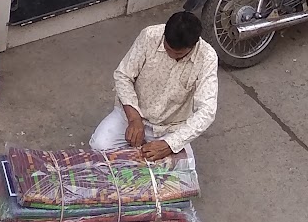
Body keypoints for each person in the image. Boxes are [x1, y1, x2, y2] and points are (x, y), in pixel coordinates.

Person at [90, 11, 218, 160]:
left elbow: (207, 111)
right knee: (99, 146)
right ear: (164, 35)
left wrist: (168, 144)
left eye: (178, 54)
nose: (171, 55)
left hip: (170, 127)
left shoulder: (207, 57)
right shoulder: (150, 36)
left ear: (193, 46)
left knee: (183, 167)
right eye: (168, 49)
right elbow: (123, 75)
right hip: (133, 113)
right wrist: (134, 118)